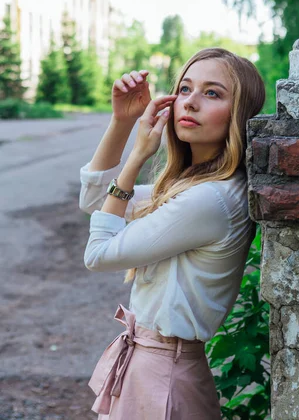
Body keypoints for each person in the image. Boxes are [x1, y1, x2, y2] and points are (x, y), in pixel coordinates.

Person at [79, 47, 265, 420]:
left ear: (238, 114)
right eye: (185, 89)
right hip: (149, 367)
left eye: (212, 93)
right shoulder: (192, 186)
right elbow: (98, 199)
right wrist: (122, 121)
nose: (191, 103)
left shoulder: (210, 199)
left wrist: (136, 158)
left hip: (162, 378)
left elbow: (97, 253)